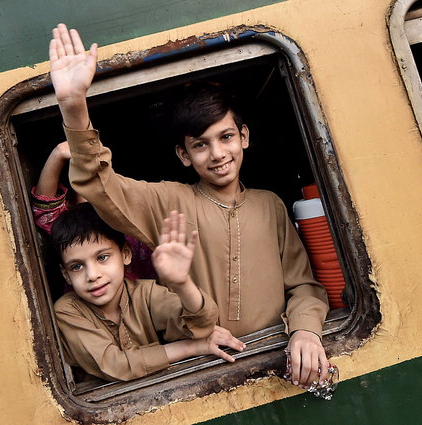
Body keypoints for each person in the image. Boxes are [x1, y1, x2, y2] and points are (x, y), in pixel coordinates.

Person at [49, 24, 330, 388]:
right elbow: (99, 184)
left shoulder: (270, 206)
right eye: (200, 145)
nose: (217, 154)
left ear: (243, 137)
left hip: (282, 361)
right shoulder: (169, 202)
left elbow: (304, 287)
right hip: (203, 377)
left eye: (226, 137)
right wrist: (74, 109)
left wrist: (306, 332)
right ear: (183, 154)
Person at [52, 203, 245, 381]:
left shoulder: (146, 293)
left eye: (102, 257)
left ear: (126, 254)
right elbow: (113, 365)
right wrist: (190, 347)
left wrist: (182, 283)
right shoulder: (67, 311)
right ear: (65, 275)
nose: (92, 275)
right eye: (77, 267)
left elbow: (200, 322)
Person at [30, 140, 157, 280]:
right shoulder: (70, 229)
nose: (94, 197)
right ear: (70, 202)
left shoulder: (134, 230)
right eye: (84, 189)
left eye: (99, 189)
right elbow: (45, 209)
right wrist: (58, 153)